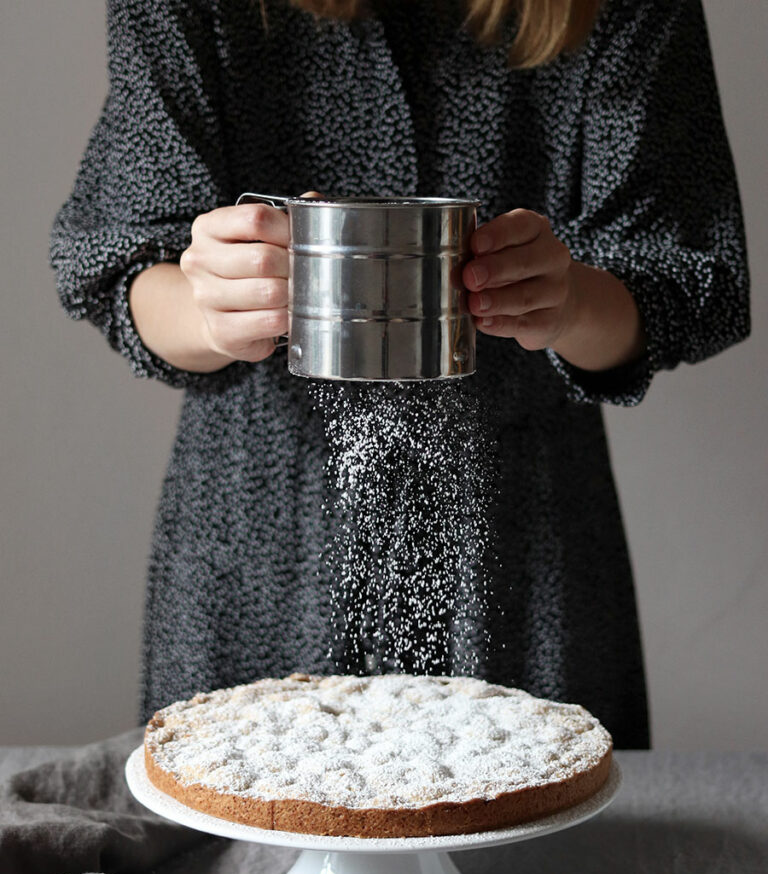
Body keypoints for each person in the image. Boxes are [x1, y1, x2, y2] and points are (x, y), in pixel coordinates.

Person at [50, 0, 750, 748]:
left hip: (523, 538)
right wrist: (210, 307)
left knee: (535, 848)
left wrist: (571, 300)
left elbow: (690, 282)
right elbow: (120, 266)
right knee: (246, 845)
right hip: (260, 537)